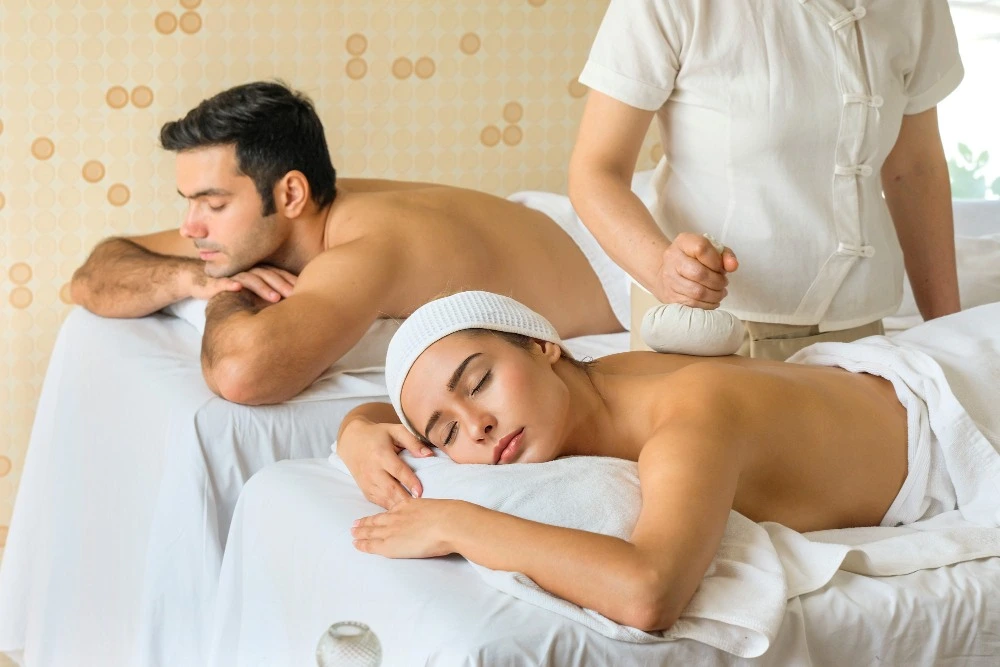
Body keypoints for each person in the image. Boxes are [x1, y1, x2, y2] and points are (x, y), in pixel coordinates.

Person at [342, 290, 997, 631]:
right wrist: (355, 428)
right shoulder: (586, 382)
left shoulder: (688, 418)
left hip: (967, 400)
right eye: (446, 430)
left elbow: (648, 591)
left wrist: (458, 523)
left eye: (480, 381)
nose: (477, 426)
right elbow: (413, 398)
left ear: (545, 345)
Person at [70, 81, 629, 406]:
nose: (191, 228)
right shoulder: (303, 210)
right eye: (189, 202)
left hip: (620, 276)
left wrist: (223, 288)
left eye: (214, 205)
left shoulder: (367, 250)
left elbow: (242, 374)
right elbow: (91, 275)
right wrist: (187, 275)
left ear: (290, 191)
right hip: (541, 224)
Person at [567, 0, 964, 359]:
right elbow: (596, 171)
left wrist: (948, 334)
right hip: (710, 331)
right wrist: (662, 270)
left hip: (861, 333)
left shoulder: (916, 6)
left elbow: (914, 170)